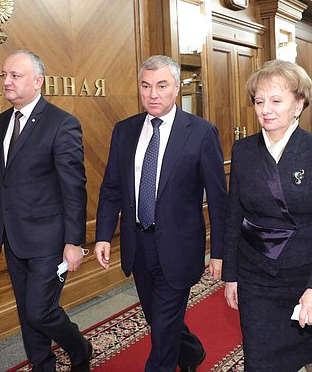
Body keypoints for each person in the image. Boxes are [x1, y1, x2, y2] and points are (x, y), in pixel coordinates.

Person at [95, 55, 228, 372]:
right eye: (146, 86)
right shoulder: (124, 131)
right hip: (138, 245)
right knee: (158, 319)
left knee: (163, 334)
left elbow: (219, 200)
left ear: (177, 88)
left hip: (179, 247)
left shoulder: (200, 132)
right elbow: (112, 187)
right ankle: (192, 351)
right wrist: (102, 235)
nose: (153, 94)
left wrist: (220, 253)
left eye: (162, 85)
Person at [222, 59, 312, 372]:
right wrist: (231, 274)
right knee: (260, 359)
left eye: (276, 100)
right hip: (257, 275)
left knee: (311, 354)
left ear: (298, 104)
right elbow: (234, 213)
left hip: (306, 273)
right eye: (259, 101)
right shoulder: (243, 150)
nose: (265, 109)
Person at [0, 50, 92, 372]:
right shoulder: (0, 123)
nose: (6, 81)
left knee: (39, 311)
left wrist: (74, 241)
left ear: (38, 81)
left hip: (49, 240)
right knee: (26, 312)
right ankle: (44, 366)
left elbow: (74, 188)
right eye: (3, 75)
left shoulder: (63, 124)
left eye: (15, 76)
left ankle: (79, 346)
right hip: (12, 239)